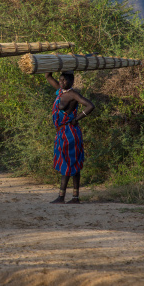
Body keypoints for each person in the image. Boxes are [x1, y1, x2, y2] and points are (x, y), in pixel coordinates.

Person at [45, 71, 95, 204]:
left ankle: (64, 197)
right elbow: (48, 77)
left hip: (70, 132)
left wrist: (77, 118)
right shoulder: (61, 91)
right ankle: (74, 197)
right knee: (69, 163)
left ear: (72, 82)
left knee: (69, 163)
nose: (61, 82)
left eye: (65, 80)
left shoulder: (72, 94)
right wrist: (53, 64)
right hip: (62, 132)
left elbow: (90, 105)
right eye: (60, 80)